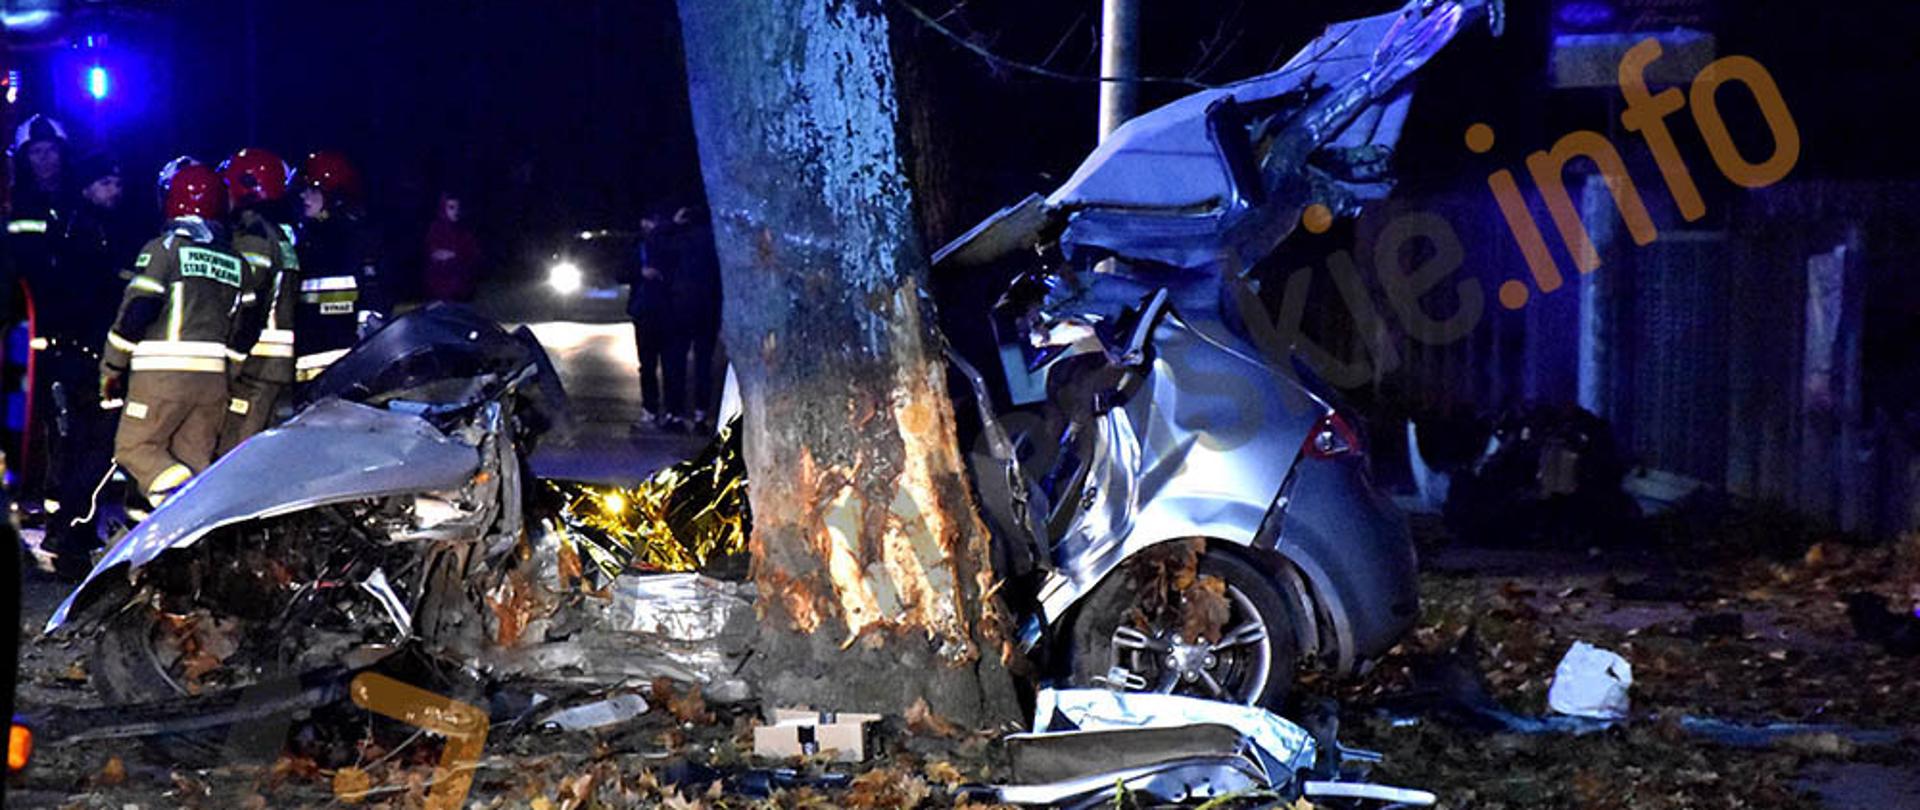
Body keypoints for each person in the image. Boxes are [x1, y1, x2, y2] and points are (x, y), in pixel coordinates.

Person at [99, 161, 256, 507]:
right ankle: (187, 547)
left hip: (161, 377)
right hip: (213, 385)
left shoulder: (163, 249)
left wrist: (111, 368)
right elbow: (246, 329)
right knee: (194, 465)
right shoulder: (237, 262)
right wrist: (229, 373)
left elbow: (137, 312)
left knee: (135, 449)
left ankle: (180, 504)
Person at [39, 153, 137, 578]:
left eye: (117, 182)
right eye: (106, 183)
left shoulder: (83, 229)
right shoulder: (86, 234)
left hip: (80, 355)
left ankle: (68, 532)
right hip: (88, 358)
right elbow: (96, 301)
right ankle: (70, 532)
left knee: (81, 447)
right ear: (87, 188)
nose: (115, 190)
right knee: (95, 448)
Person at [215, 148, 300, 454]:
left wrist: (232, 358)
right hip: (271, 368)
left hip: (254, 367)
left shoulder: (253, 237)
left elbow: (249, 304)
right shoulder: (278, 235)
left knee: (233, 456)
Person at [4, 115, 71, 484]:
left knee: (60, 412)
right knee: (22, 405)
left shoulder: (75, 203)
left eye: (51, 152)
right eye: (37, 153)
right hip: (24, 325)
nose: (45, 160)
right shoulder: (18, 206)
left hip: (66, 325)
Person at [291, 150, 385, 383]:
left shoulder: (355, 239)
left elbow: (374, 296)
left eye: (313, 191)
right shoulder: (305, 239)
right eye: (303, 190)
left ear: (335, 196)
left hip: (345, 366)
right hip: (308, 363)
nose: (305, 197)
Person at [621, 212, 684, 431]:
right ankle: (654, 411)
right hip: (646, 312)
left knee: (669, 366)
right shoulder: (639, 245)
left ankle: (670, 412)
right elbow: (620, 272)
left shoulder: (670, 243)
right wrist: (640, 272)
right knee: (649, 366)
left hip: (666, 312)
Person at [662, 204, 722, 430]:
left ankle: (675, 413)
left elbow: (655, 242)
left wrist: (672, 225)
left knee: (676, 363)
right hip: (708, 308)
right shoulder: (713, 240)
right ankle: (700, 414)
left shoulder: (678, 238)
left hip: (679, 308)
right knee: (703, 364)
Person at [422, 191, 481, 302]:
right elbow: (433, 254)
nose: (456, 211)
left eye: (458, 207)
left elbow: (473, 255)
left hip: (462, 288)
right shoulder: (436, 229)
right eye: (451, 207)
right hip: (439, 289)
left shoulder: (464, 230)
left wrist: (455, 255)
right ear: (444, 208)